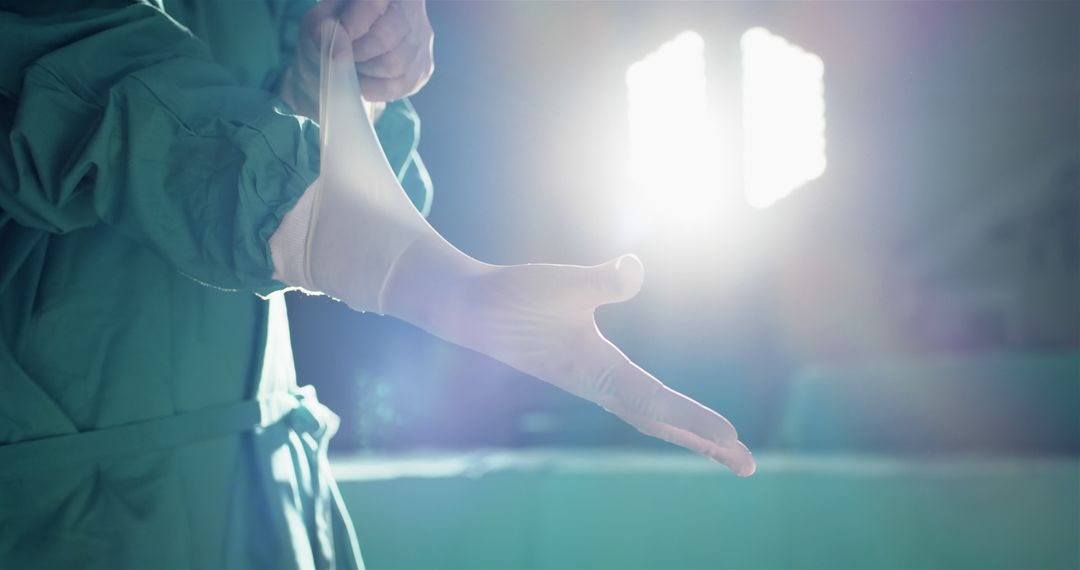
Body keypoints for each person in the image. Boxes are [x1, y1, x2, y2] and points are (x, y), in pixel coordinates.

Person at [0, 1, 752, 568]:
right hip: (65, 502)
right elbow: (64, 65)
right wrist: (395, 261)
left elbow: (276, 94)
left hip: (264, 486)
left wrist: (342, 86)